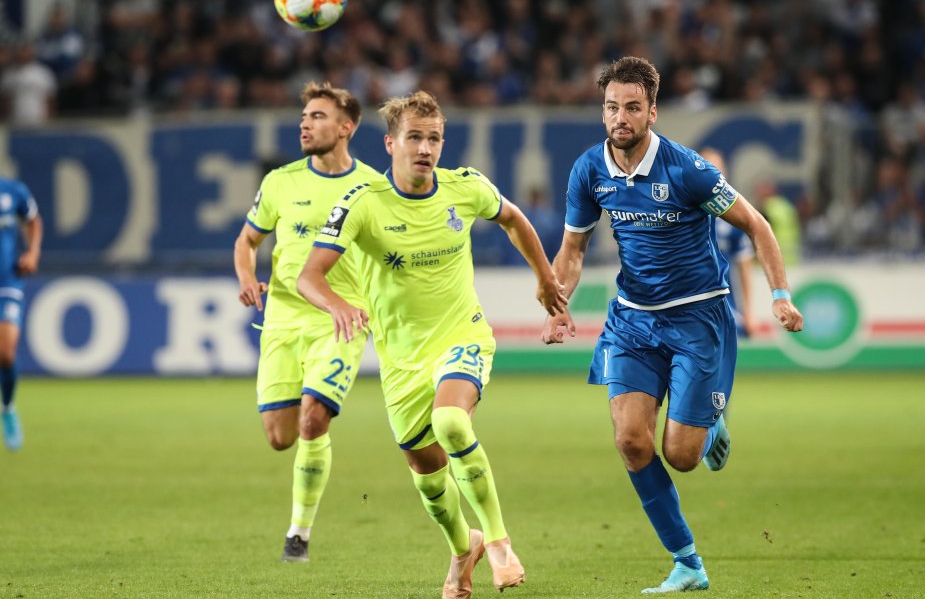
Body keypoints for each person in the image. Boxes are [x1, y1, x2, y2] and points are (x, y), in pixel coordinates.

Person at [541, 56, 803, 593]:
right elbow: (572, 248)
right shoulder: (590, 169)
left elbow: (756, 225)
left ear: (652, 113)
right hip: (633, 321)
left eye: (632, 108)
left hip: (697, 317)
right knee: (631, 441)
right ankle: (687, 562)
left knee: (680, 456)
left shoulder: (688, 169)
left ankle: (709, 425)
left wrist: (780, 296)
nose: (620, 117)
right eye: (612, 107)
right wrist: (558, 300)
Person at [297, 90, 565, 599]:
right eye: (415, 138)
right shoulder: (362, 203)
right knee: (427, 475)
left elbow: (513, 219)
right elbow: (309, 277)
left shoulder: (465, 188)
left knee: (450, 421)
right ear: (390, 143)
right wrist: (337, 305)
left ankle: (503, 545)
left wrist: (545, 278)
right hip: (401, 360)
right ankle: (466, 547)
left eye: (434, 138)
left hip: (462, 336)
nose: (426, 148)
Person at [233, 81, 381, 562]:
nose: (305, 123)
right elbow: (247, 241)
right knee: (280, 437)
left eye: (318, 116)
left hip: (340, 320)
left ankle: (298, 533)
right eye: (304, 116)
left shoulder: (373, 188)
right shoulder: (279, 181)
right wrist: (246, 276)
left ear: (346, 127)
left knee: (314, 420)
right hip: (281, 320)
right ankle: (310, 434)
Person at [0, 179, 42, 451]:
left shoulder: (12, 190)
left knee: (5, 352)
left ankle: (8, 407)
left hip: (7, 279)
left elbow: (34, 220)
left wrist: (33, 252)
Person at [700, 148, 760, 338]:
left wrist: (749, 311)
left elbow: (744, 265)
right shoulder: (678, 214)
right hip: (685, 308)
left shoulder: (732, 218)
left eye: (717, 169)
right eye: (706, 168)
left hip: (724, 306)